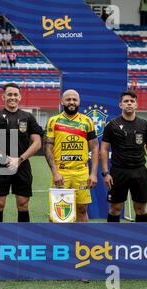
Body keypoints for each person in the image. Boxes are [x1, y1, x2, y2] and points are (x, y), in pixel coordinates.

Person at [0, 83, 43, 222]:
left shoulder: (28, 117)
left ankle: (22, 239)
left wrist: (19, 160)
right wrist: (5, 158)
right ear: (3, 97)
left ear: (20, 97)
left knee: (23, 204)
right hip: (2, 166)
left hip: (22, 165)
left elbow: (37, 143)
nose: (13, 97)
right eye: (9, 94)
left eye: (16, 94)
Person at [101, 91, 147, 223]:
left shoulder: (144, 124)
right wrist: (105, 173)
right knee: (115, 208)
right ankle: (112, 241)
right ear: (120, 105)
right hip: (118, 171)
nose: (129, 103)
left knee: (141, 209)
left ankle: (142, 241)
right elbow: (103, 149)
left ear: (136, 105)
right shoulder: (112, 125)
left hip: (139, 171)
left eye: (132, 101)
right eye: (126, 101)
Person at [44, 89, 99, 222]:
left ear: (79, 102)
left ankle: (81, 241)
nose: (71, 102)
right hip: (61, 173)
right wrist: (55, 173)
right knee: (58, 213)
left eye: (74, 99)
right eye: (68, 99)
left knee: (82, 209)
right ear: (62, 101)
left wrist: (93, 174)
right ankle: (57, 241)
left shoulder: (87, 121)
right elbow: (48, 148)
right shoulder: (53, 121)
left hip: (81, 173)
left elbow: (95, 147)